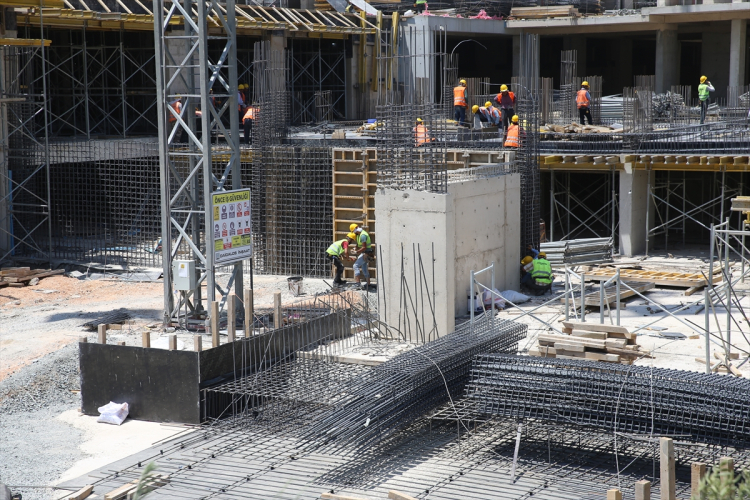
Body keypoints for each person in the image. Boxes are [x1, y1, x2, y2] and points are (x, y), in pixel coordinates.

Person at [350, 223, 374, 290]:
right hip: (365, 253)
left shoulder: (363, 235)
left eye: (353, 231)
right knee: (364, 268)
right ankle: (368, 285)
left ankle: (358, 284)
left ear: (355, 229)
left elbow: (364, 247)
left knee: (355, 266)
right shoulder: (359, 234)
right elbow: (359, 244)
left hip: (366, 253)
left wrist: (356, 252)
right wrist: (355, 248)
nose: (353, 233)